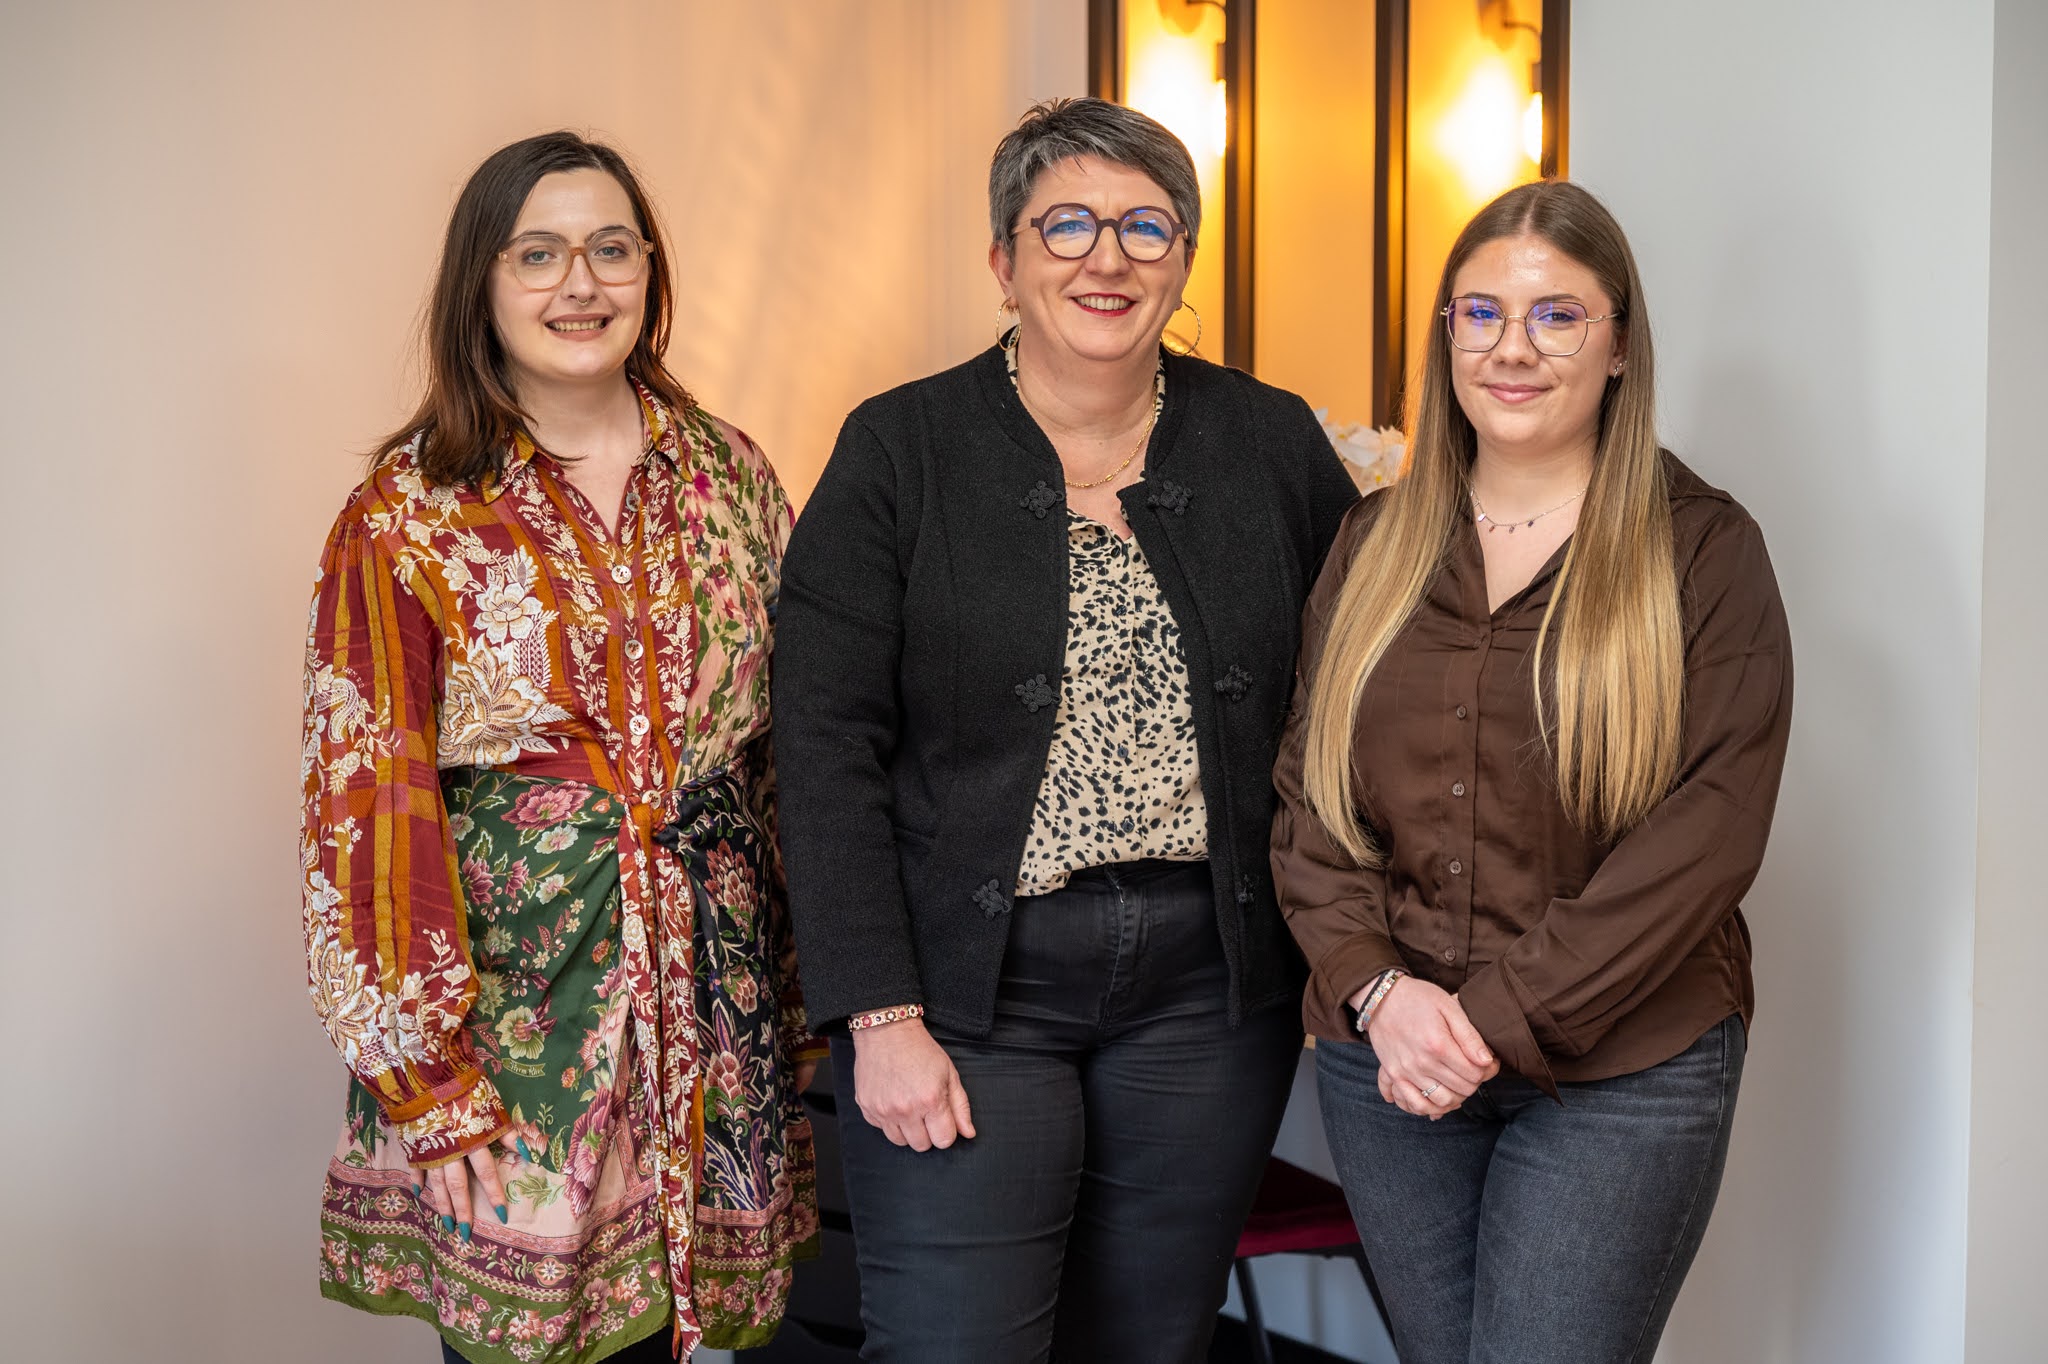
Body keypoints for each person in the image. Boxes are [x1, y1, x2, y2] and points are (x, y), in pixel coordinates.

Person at [772, 97, 1359, 1362]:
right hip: (971, 996)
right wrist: (875, 1014)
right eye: (1068, 226)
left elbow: (1356, 683)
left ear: (1183, 261)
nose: (1109, 258)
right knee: (954, 1343)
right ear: (1004, 262)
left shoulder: (1266, 438)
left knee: (1147, 1342)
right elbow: (820, 743)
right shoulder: (900, 449)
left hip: (1208, 996)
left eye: (1147, 227)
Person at [300, 131, 821, 1364]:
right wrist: (431, 1085)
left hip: (715, 998)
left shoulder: (732, 476)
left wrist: (812, 1001)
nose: (578, 283)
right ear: (481, 281)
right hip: (521, 1027)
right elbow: (364, 801)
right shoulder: (406, 513)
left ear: (649, 272)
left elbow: (791, 753)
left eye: (609, 248)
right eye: (537, 253)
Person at [1271, 178, 1793, 1364]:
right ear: (1445, 334)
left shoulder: (1702, 551)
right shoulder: (1371, 541)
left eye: (1557, 315)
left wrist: (1490, 1017)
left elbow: (1706, 830)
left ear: (1617, 346)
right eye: (1479, 313)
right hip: (1388, 1058)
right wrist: (1378, 993)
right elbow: (1309, 803)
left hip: (1622, 1069)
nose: (1512, 347)